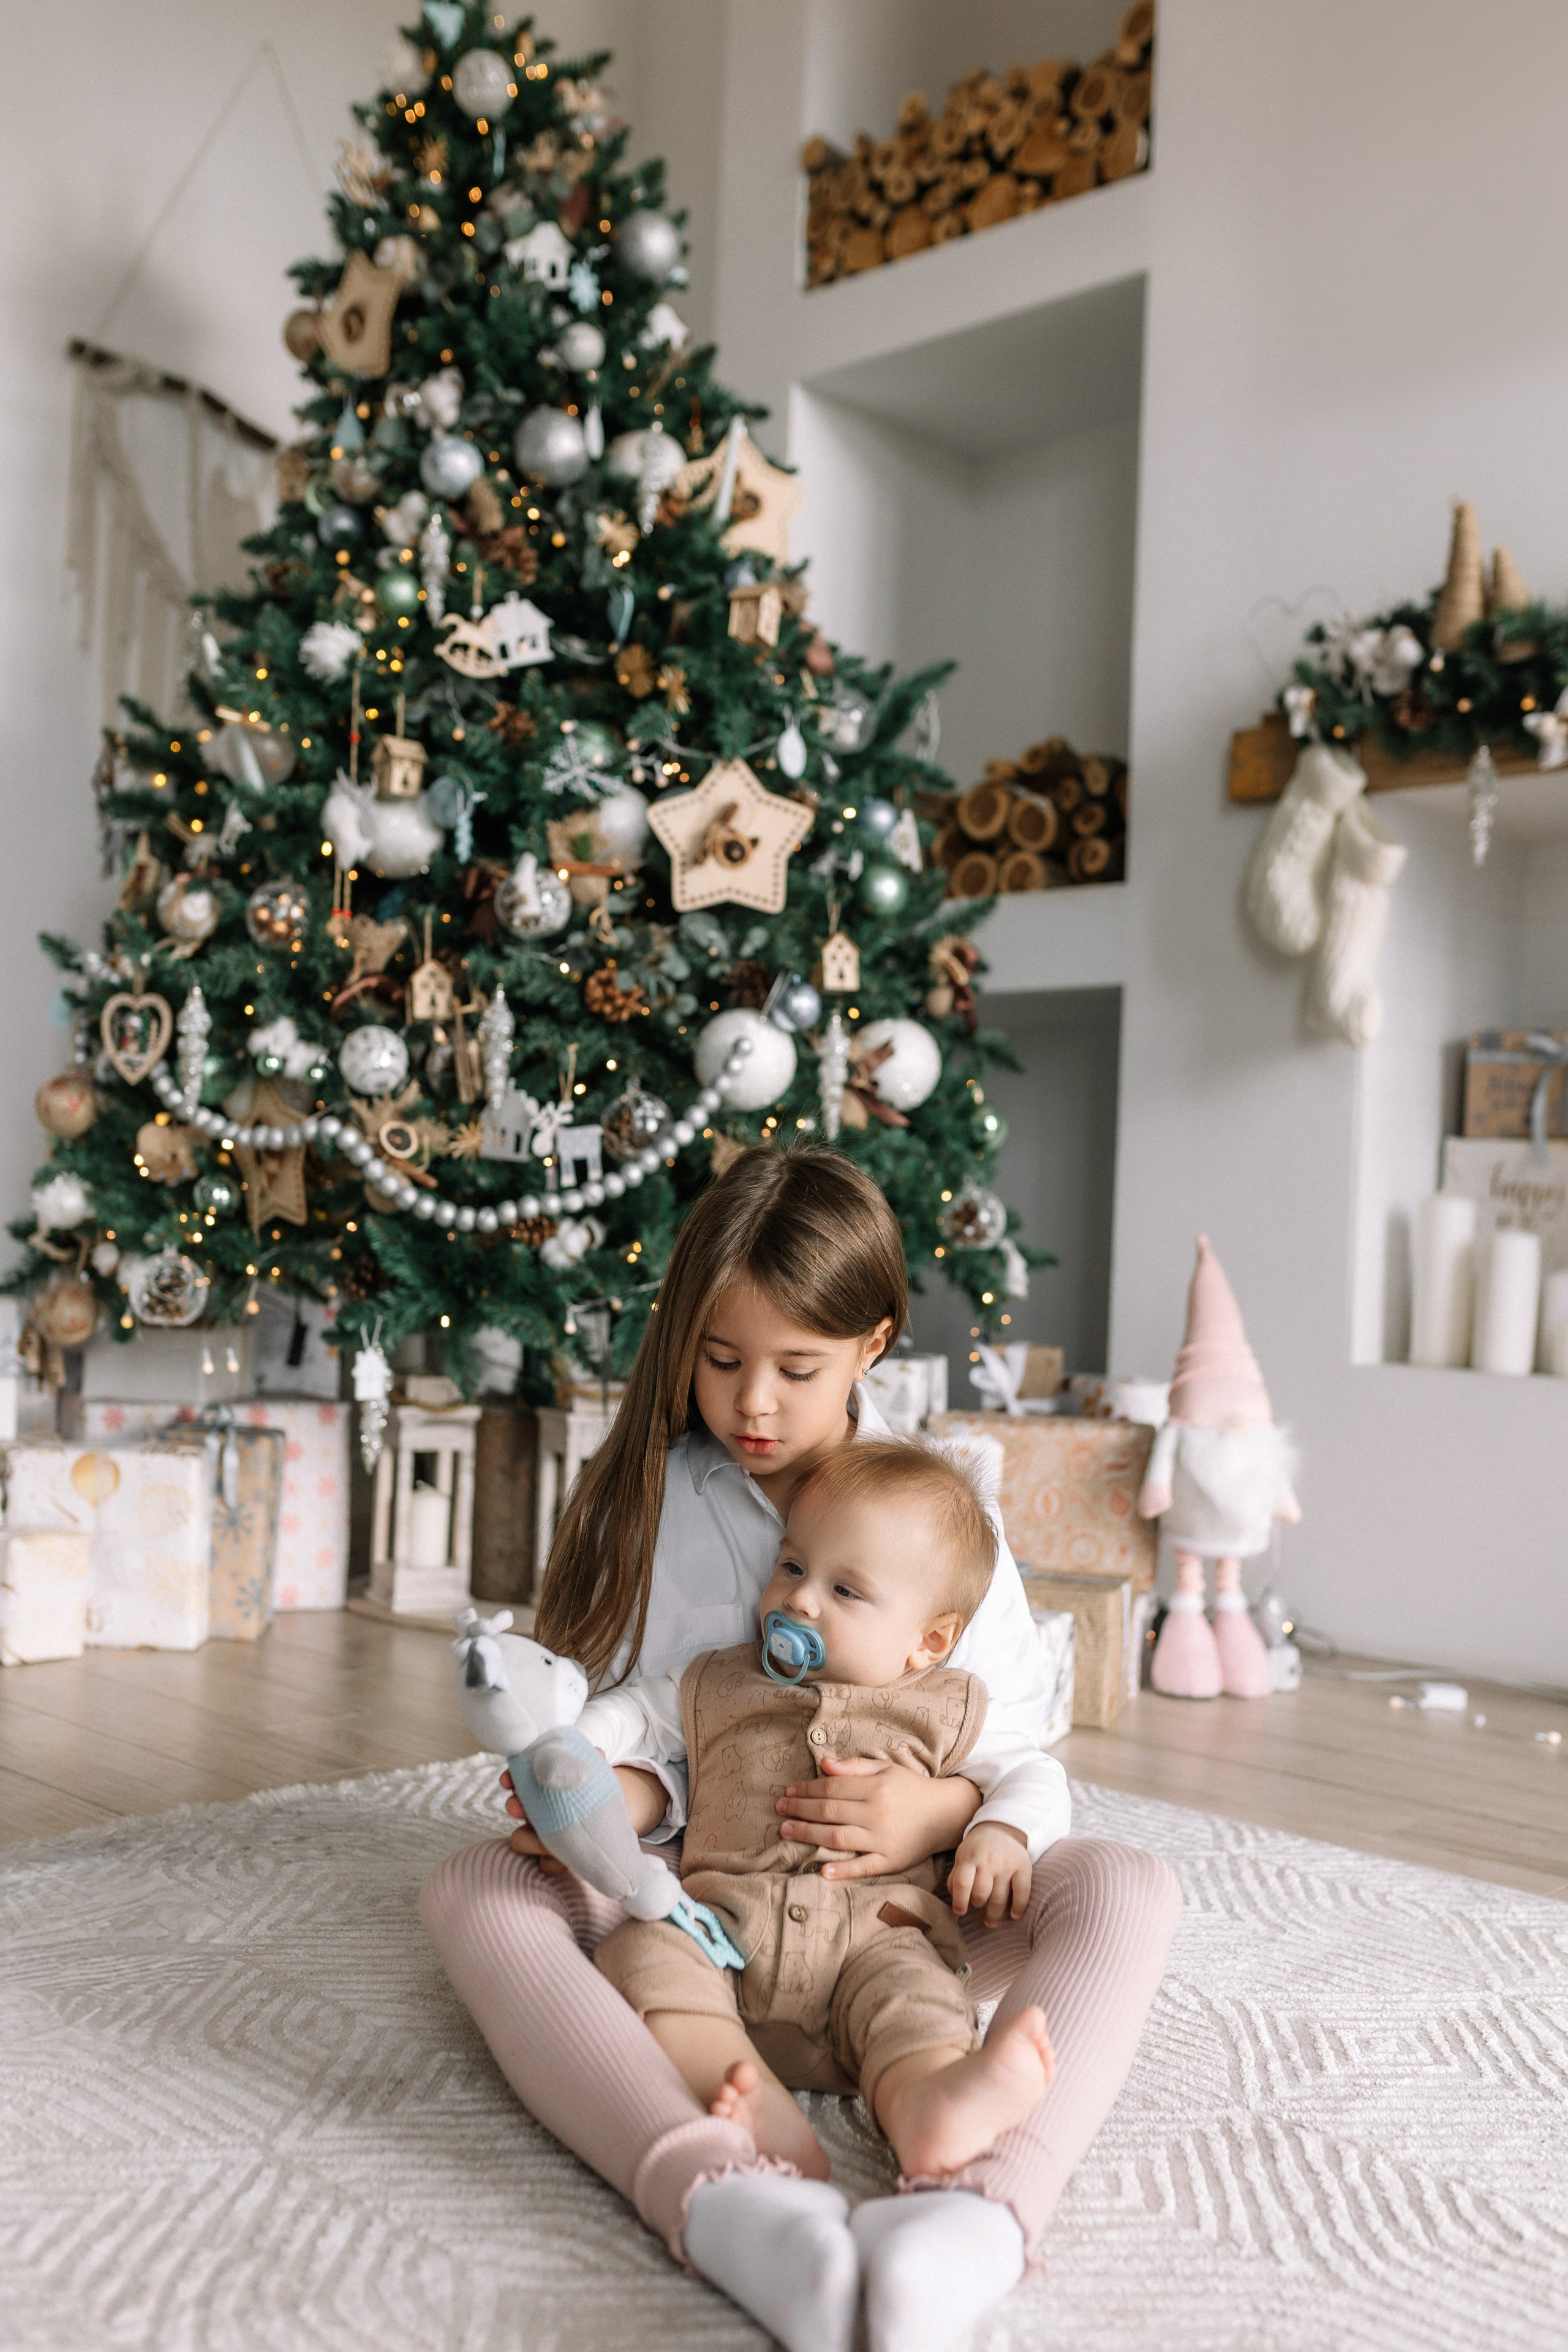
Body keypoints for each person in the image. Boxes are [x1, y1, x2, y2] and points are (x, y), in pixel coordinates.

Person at [420, 1147, 1182, 2352]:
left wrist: (938, 1819)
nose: (752, 1406)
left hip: (896, 1912)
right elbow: (655, 1715)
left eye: (795, 1370)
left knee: (1127, 1884)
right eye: (720, 1363)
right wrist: (605, 1794)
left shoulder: (943, 1516)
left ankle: (981, 2207)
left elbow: (1020, 1743)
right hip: (700, 1901)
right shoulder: (659, 1501)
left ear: (872, 1345)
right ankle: (723, 2191)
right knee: (473, 1889)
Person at [584, 1439, 1058, 2188]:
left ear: (926, 1643)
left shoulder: (948, 1708)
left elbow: (1035, 1774)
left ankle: (928, 2104)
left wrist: (1001, 1831)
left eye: (846, 1592)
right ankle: (745, 2091)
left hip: (877, 1941)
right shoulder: (718, 1680)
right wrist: (577, 1750)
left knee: (920, 2003)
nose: (799, 1600)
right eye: (794, 1567)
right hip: (724, 1933)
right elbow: (633, 1717)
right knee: (648, 1953)